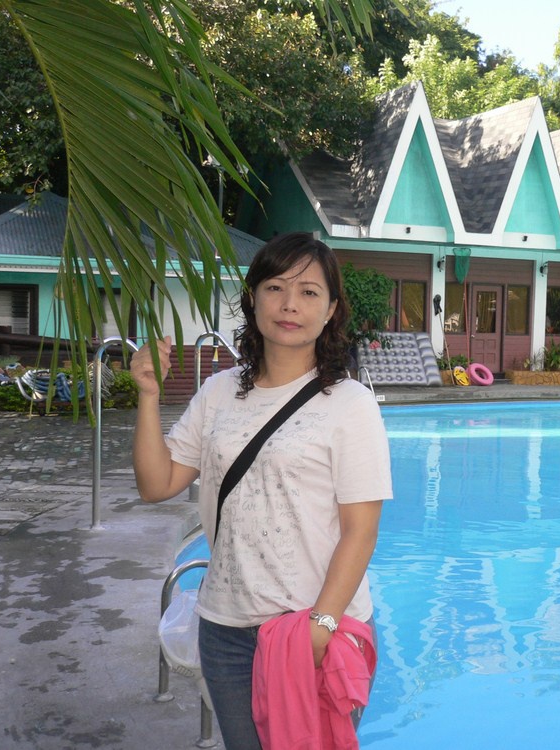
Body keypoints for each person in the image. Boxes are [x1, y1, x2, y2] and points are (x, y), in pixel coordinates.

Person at [131, 232, 393, 749]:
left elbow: (360, 531)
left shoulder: (350, 404)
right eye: (275, 287)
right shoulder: (219, 391)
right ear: (252, 298)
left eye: (309, 292)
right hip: (227, 628)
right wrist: (147, 396)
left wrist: (320, 627)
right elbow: (157, 484)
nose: (290, 304)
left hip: (315, 628)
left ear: (330, 310)